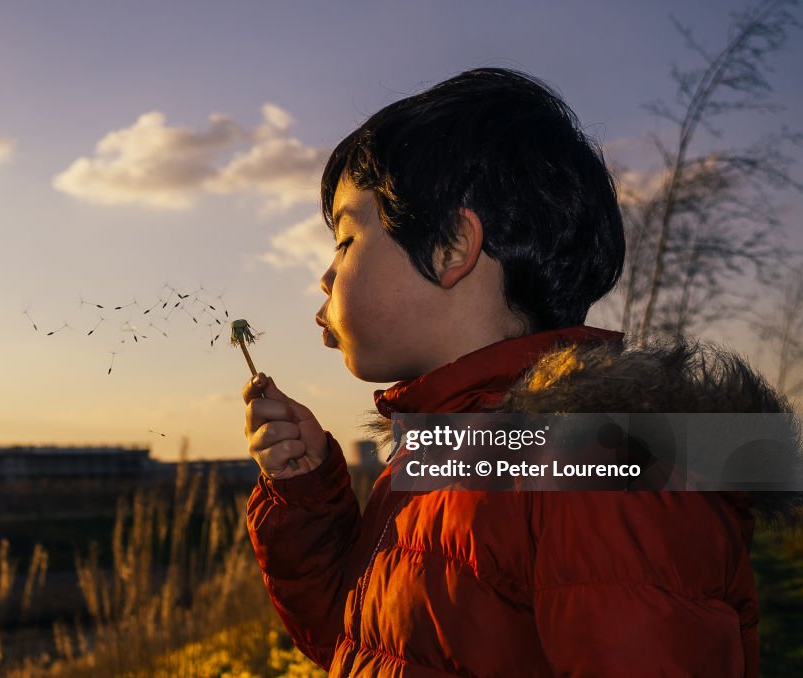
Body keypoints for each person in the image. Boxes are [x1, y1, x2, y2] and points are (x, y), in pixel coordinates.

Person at [242, 68, 800, 676]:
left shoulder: (597, 477)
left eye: (346, 240)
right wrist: (308, 497)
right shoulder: (454, 455)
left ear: (451, 248)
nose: (326, 277)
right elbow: (365, 644)